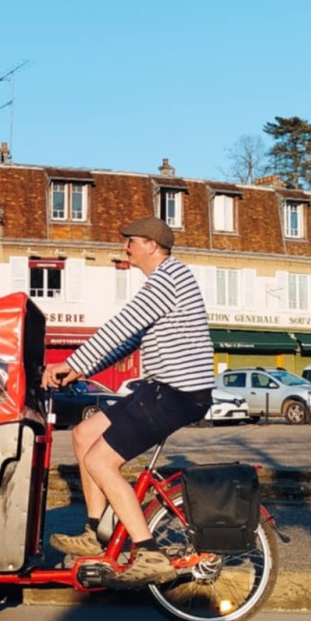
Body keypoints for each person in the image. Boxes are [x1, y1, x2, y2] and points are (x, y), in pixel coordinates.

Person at [41, 216, 214, 583]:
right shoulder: (166, 280)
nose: (126, 247)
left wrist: (71, 362)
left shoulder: (168, 279)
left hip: (176, 393)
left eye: (131, 241)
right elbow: (129, 341)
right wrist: (80, 371)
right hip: (161, 389)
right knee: (83, 434)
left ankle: (150, 553)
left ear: (151, 245)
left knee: (100, 462)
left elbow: (122, 325)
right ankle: (96, 532)